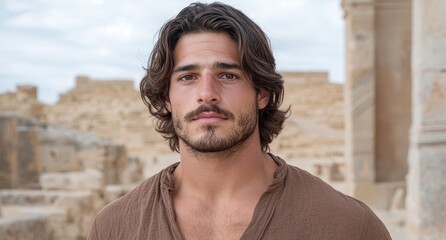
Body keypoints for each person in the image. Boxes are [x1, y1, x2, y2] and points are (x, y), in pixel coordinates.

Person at [88, 2, 391, 240]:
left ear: (262, 93)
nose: (207, 94)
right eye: (188, 77)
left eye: (228, 75)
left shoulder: (349, 227)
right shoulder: (113, 228)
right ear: (167, 98)